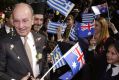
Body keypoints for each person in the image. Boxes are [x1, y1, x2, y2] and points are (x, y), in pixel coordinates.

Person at [0, 3, 49, 80]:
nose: (20, 26)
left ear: (32, 20)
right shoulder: (4, 42)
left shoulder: (42, 39)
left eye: (25, 20)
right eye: (16, 21)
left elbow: (45, 66)